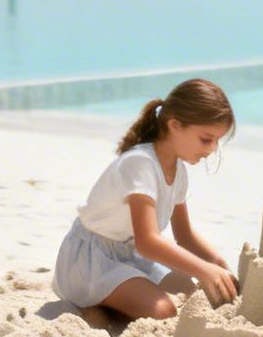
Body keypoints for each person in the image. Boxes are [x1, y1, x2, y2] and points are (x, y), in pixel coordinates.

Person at [52, 78, 241, 324]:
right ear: (175, 125)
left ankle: (117, 302)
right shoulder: (140, 164)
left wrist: (218, 265)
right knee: (164, 310)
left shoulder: (179, 171)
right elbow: (148, 242)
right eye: (206, 139)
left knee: (188, 289)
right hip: (90, 259)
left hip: (129, 254)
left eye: (218, 140)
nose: (213, 149)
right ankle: (96, 307)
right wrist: (203, 270)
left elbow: (184, 236)